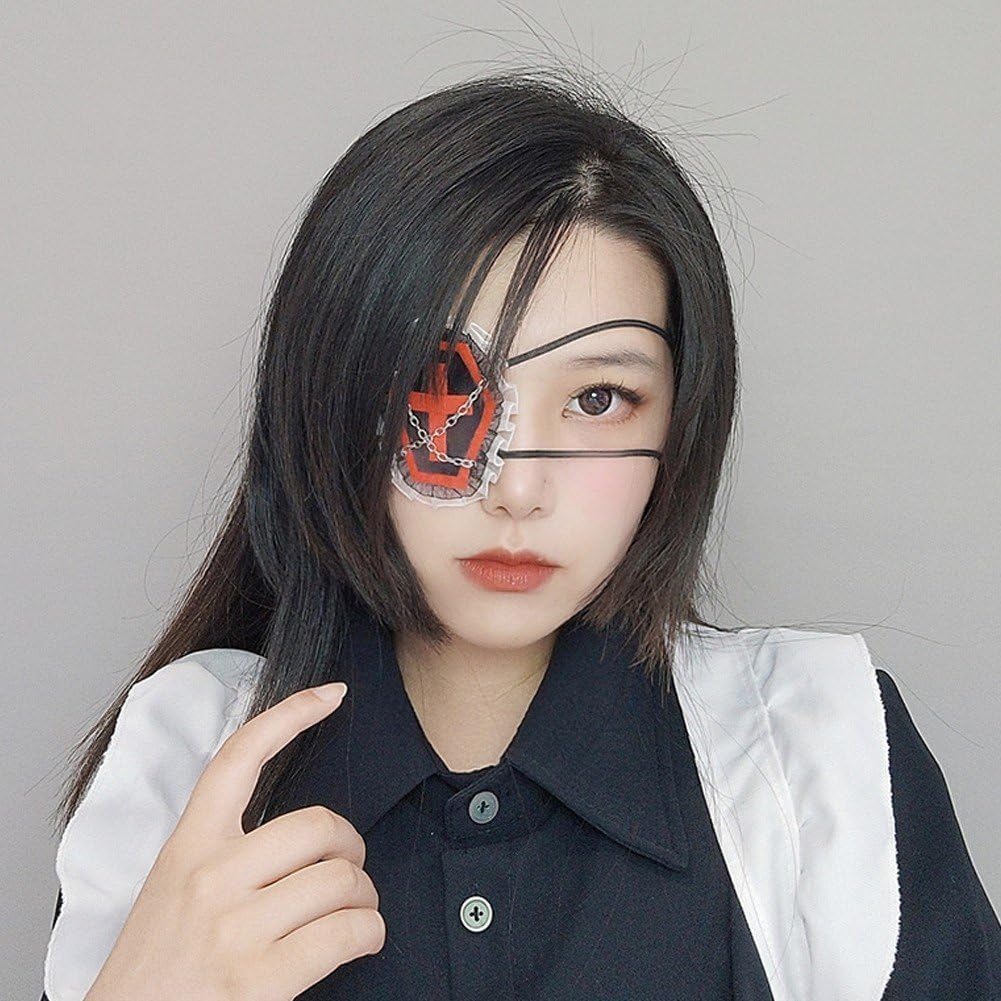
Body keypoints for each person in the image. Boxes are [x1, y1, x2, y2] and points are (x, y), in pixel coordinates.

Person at [41, 68, 1000, 1001]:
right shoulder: (182, 771)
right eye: (445, 391)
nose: (518, 489)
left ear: (679, 422)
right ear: (333, 393)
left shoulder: (815, 758)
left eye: (599, 398)